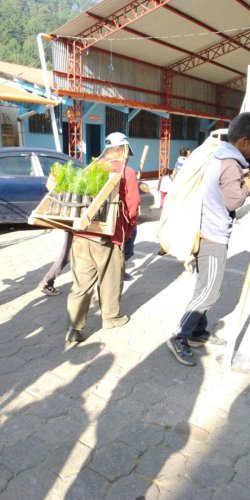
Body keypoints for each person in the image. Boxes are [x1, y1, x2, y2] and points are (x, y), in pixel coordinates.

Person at [167, 112, 250, 366]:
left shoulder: (220, 154)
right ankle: (179, 336)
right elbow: (234, 201)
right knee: (210, 293)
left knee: (204, 286)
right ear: (245, 141)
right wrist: (248, 184)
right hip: (213, 237)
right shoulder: (230, 163)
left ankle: (197, 332)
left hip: (205, 232)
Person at [65, 132, 140, 343]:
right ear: (123, 150)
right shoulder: (127, 172)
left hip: (81, 235)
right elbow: (133, 209)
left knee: (81, 284)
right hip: (108, 237)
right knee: (110, 279)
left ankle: (74, 328)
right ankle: (110, 318)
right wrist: (127, 231)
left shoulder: (89, 169)